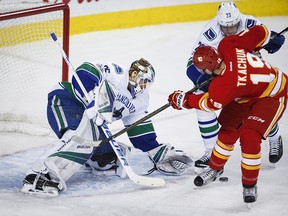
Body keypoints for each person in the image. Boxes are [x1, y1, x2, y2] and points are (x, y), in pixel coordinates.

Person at [21, 58, 193, 197]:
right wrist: (87, 97)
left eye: (147, 84)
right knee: (80, 138)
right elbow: (86, 70)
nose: (143, 86)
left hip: (91, 119)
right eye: (143, 81)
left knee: (107, 152)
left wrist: (156, 151)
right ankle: (38, 175)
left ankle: (98, 159)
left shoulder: (141, 100)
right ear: (134, 74)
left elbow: (138, 129)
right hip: (66, 100)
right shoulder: (116, 74)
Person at [168, 25, 287, 203]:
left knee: (249, 137)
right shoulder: (228, 45)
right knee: (228, 129)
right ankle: (215, 168)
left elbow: (207, 103)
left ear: (207, 70)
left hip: (273, 94)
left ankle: (249, 185)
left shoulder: (223, 86)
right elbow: (258, 32)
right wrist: (269, 37)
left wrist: (183, 100)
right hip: (249, 93)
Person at [186, 1, 285, 169]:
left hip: (251, 75)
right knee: (203, 106)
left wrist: (271, 41)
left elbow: (263, 37)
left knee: (258, 106)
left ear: (239, 20)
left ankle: (275, 137)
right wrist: (200, 79)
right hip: (223, 74)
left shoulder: (250, 22)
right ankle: (211, 152)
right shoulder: (210, 34)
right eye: (226, 27)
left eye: (233, 26)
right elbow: (193, 63)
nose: (230, 30)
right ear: (219, 23)